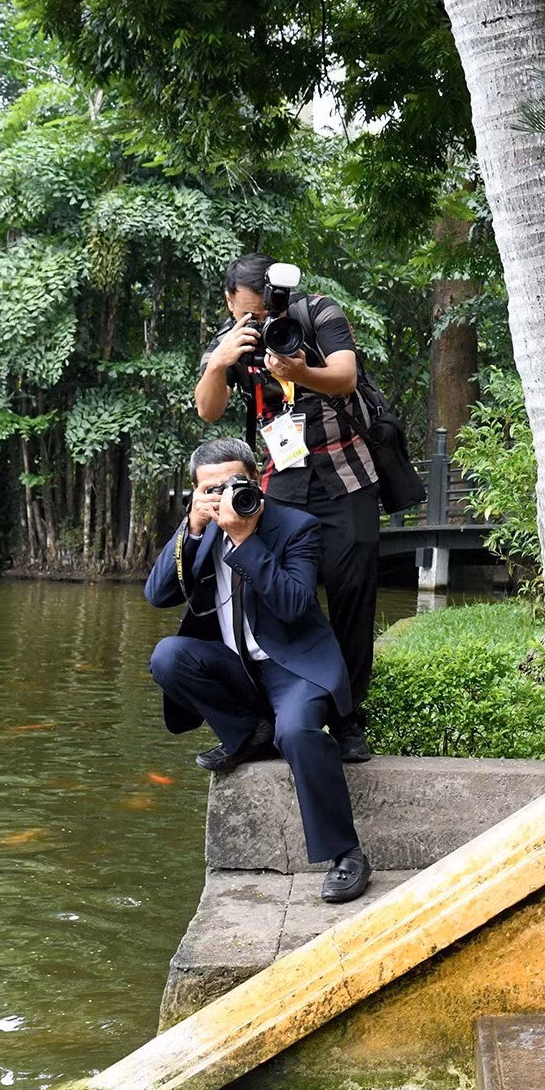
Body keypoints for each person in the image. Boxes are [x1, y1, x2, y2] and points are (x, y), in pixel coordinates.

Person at [145, 438, 371, 903]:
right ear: (195, 492)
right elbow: (157, 595)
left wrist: (245, 540)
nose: (225, 496)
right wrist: (191, 527)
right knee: (168, 655)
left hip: (293, 666)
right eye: (211, 489)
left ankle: (347, 854)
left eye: (235, 484)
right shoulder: (200, 528)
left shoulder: (296, 526)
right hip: (236, 667)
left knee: (298, 733)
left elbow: (294, 605)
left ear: (257, 480)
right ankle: (250, 732)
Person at [196, 253, 377, 764]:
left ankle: (347, 719)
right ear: (231, 302)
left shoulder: (318, 313)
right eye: (247, 314)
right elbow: (208, 410)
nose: (258, 324)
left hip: (348, 476)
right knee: (275, 597)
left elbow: (344, 377)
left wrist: (301, 371)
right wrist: (219, 361)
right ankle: (270, 717)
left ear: (281, 293)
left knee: (351, 598)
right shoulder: (233, 340)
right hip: (280, 485)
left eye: (266, 312)